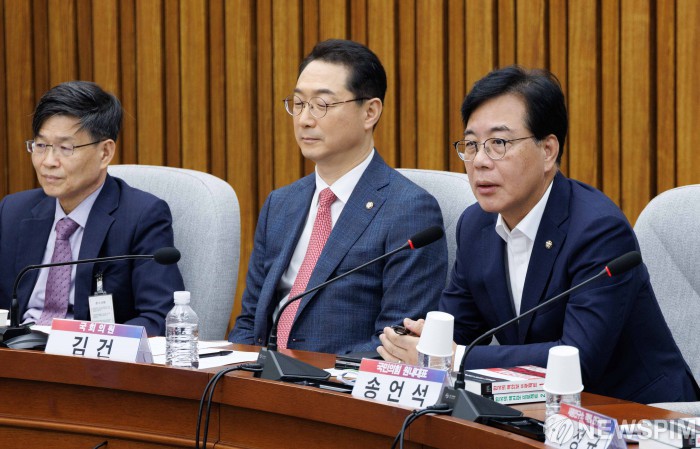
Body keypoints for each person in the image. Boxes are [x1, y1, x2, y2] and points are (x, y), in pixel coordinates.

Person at [378, 66, 699, 403]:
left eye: (499, 143)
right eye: (471, 145)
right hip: (538, 407)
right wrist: (421, 341)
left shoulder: (599, 231)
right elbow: (460, 328)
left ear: (548, 151)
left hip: (641, 412)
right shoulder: (476, 225)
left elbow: (578, 360)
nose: (480, 161)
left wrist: (455, 359)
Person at [230, 39, 447, 354]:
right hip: (262, 376)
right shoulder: (281, 204)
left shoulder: (409, 211)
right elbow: (250, 322)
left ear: (370, 112)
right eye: (299, 103)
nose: (304, 119)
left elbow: (396, 342)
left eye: (321, 104)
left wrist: (307, 373)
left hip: (340, 380)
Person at [0, 81, 184, 336]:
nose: (48, 162)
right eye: (41, 146)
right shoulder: (12, 211)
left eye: (65, 148)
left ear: (105, 153)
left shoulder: (141, 217)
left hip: (88, 354)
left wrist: (84, 341)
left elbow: (160, 317)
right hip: (16, 351)